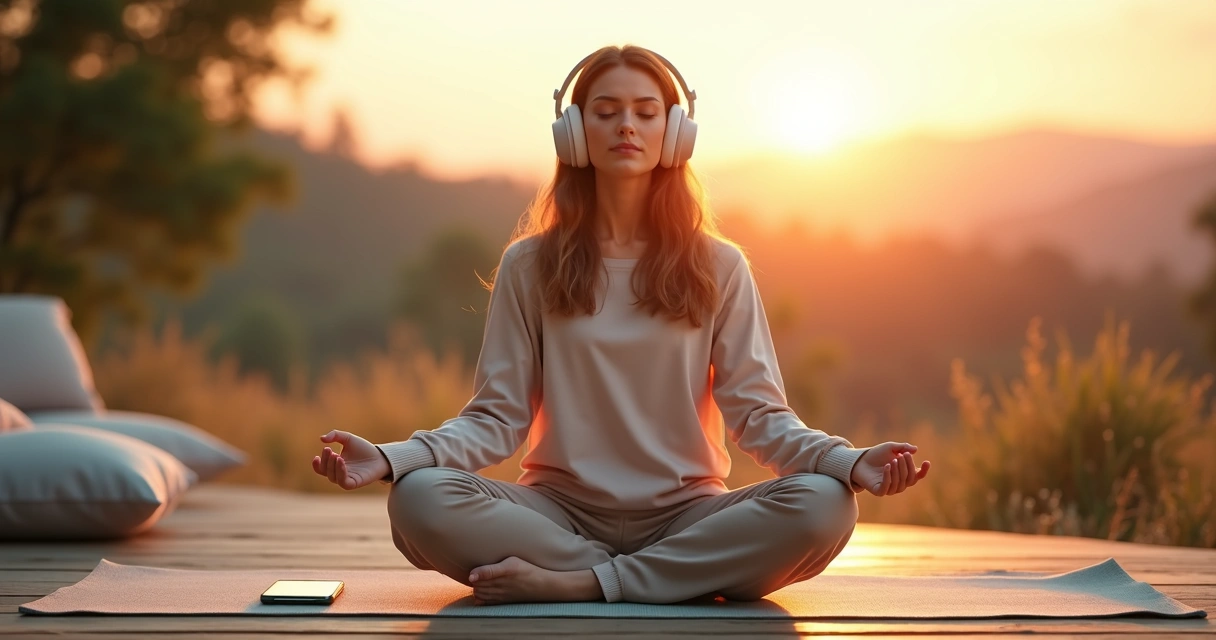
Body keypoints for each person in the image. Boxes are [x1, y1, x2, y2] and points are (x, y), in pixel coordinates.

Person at [311, 44, 930, 606]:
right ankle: (663, 578)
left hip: (690, 515)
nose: (627, 125)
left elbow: (760, 418)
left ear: (675, 131)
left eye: (645, 111)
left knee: (825, 505)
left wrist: (847, 463)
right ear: (574, 132)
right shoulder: (529, 265)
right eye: (605, 111)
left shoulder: (720, 265)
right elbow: (495, 419)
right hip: (556, 516)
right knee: (419, 500)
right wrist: (393, 459)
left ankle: (585, 583)